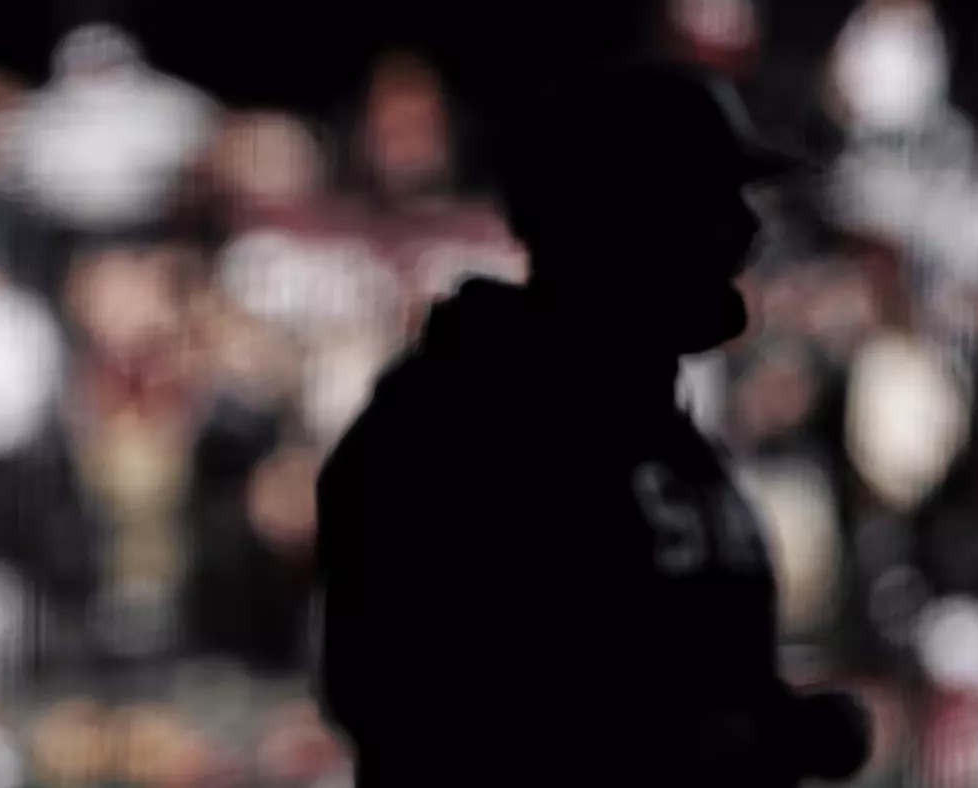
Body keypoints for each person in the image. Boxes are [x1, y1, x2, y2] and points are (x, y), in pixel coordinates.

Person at [313, 58, 872, 787]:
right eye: (709, 200)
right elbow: (418, 712)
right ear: (616, 219)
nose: (746, 232)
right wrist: (696, 747)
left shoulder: (657, 426)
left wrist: (779, 724)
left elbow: (688, 663)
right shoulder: (452, 429)